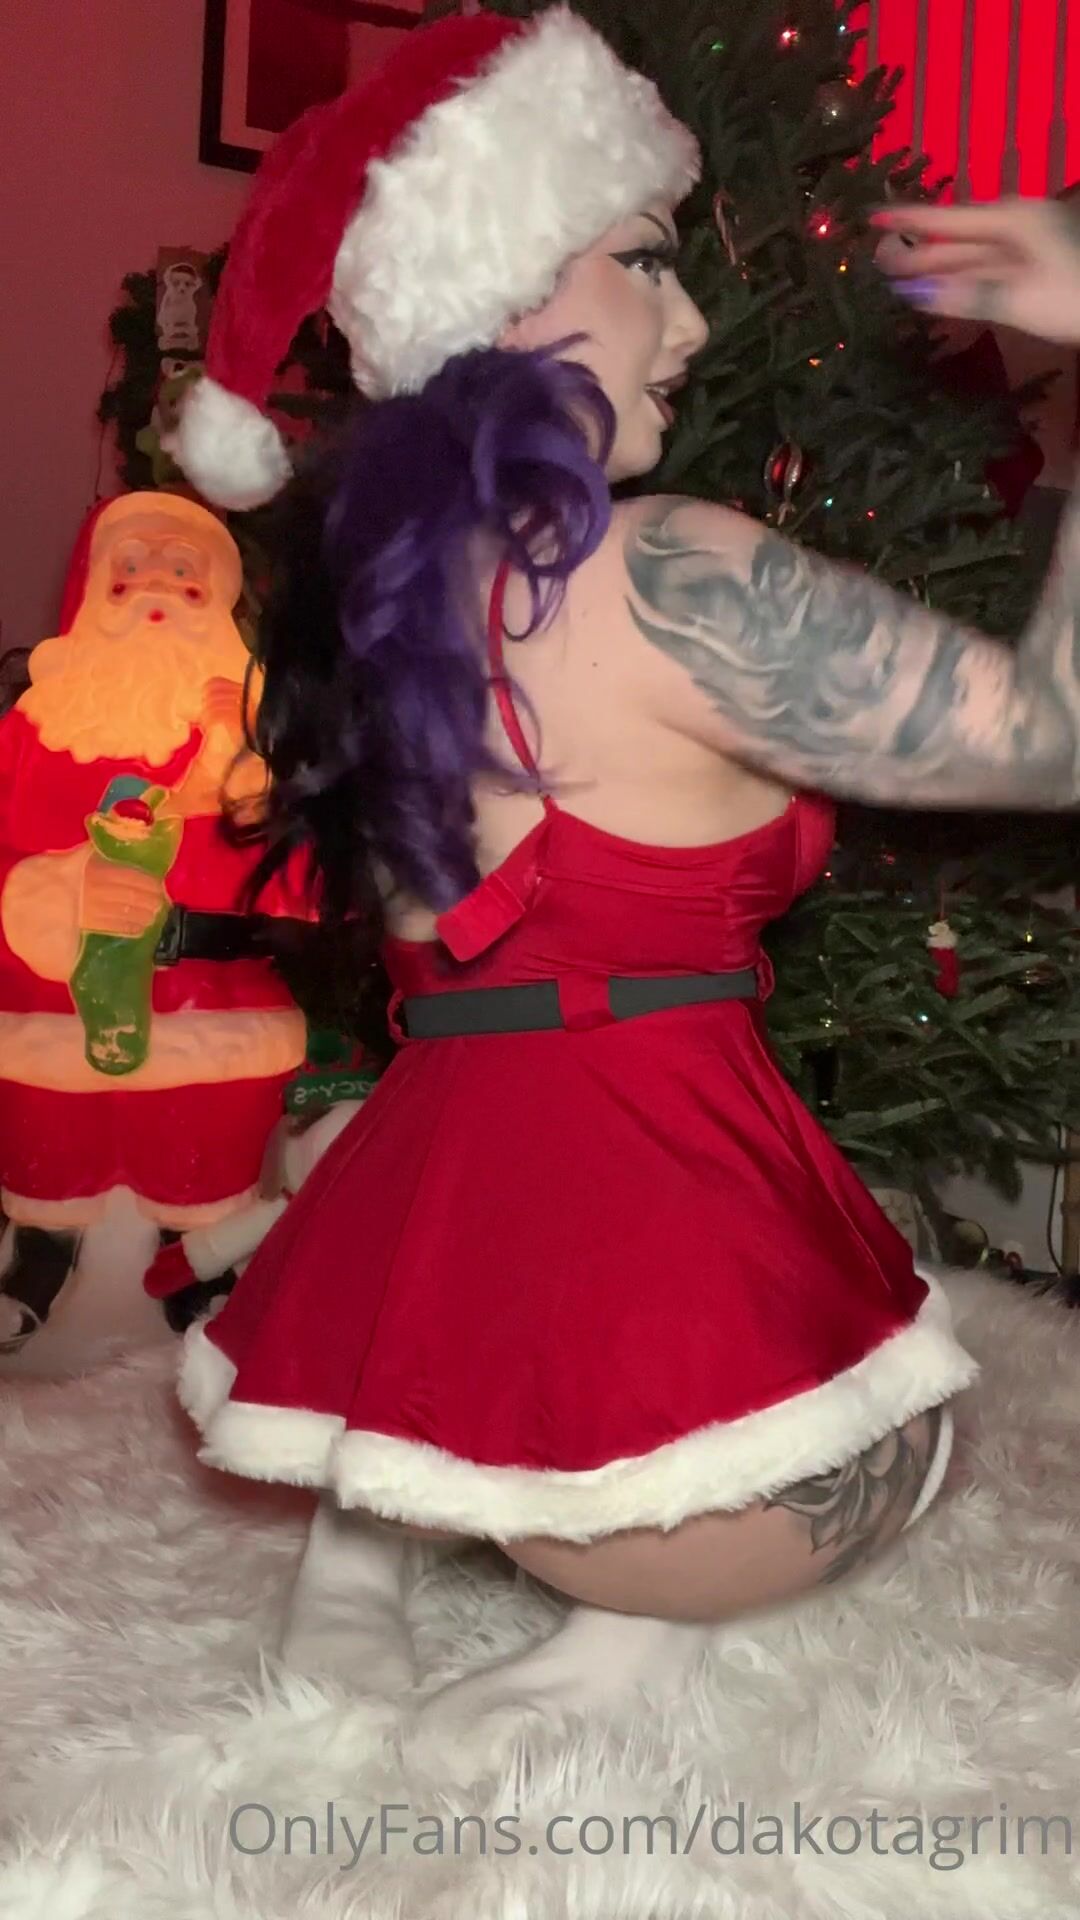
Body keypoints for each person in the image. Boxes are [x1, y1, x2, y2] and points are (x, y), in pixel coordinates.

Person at [169, 6, 1080, 1755]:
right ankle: (617, 1639)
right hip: (658, 1446)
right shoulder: (673, 578)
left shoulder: (382, 612)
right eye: (647, 260)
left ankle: (361, 1552)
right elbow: (1054, 737)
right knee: (923, 1428)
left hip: (414, 1330)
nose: (696, 321)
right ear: (502, 285)